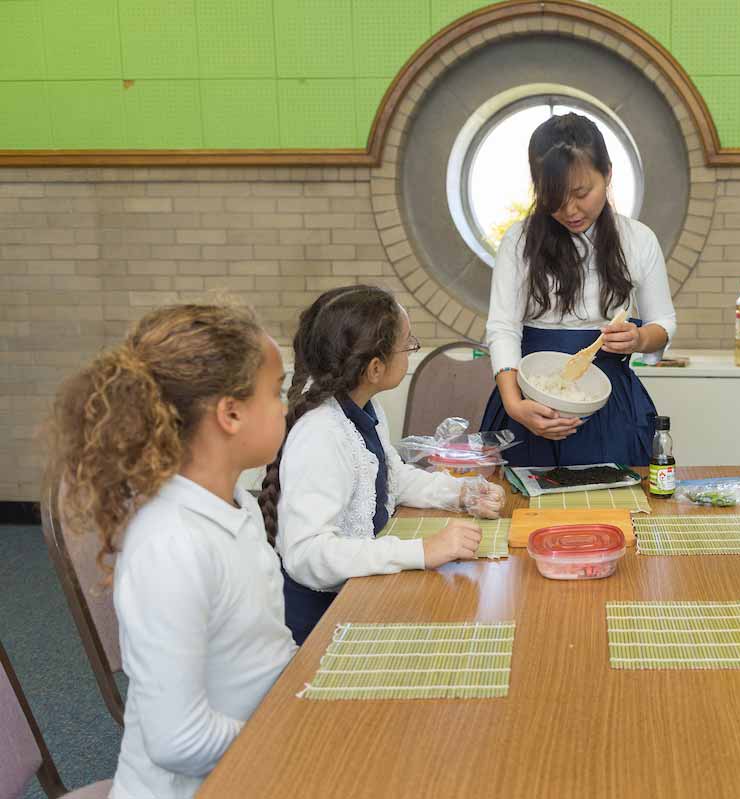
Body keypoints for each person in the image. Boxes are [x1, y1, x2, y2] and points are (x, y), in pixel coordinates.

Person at [47, 303, 297, 799]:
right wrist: (296, 735)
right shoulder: (171, 544)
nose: (285, 407)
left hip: (254, 761)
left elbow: (261, 651)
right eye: (277, 393)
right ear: (230, 413)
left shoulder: (235, 507)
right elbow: (178, 740)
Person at [260, 285, 503, 645]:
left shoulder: (363, 407)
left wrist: (459, 494)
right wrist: (422, 550)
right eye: (408, 344)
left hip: (360, 593)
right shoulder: (321, 433)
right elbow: (307, 555)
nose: (412, 349)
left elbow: (391, 477)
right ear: (375, 368)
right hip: (322, 623)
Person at [483, 112, 677, 467]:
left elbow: (662, 323)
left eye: (581, 193)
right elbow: (502, 328)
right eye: (553, 197)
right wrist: (515, 406)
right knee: (523, 513)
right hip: (529, 397)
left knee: (612, 512)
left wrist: (637, 339)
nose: (570, 210)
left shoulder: (638, 240)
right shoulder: (518, 240)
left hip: (609, 403)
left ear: (608, 174)